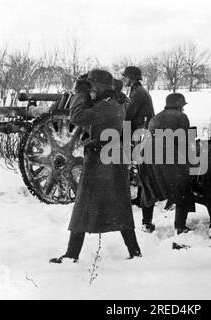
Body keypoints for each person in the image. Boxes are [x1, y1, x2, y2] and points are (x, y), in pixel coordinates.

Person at [50, 69, 141, 263]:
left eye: (92, 86)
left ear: (98, 87)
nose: (90, 90)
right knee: (119, 207)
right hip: (110, 161)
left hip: (101, 163)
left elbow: (76, 117)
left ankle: (72, 254)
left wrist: (80, 94)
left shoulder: (106, 107)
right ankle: (134, 251)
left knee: (84, 205)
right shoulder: (115, 102)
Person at [138, 93, 196, 235]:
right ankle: (180, 227)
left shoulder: (155, 117)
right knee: (182, 186)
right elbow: (184, 141)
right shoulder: (181, 117)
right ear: (180, 105)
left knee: (150, 188)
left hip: (146, 153)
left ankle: (146, 224)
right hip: (167, 151)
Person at [121, 66, 156, 233]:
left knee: (141, 166)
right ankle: (139, 198)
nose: (124, 80)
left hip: (141, 131)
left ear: (132, 78)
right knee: (140, 165)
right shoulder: (137, 91)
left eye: (126, 77)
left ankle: (141, 199)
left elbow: (128, 113)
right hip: (140, 129)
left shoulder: (138, 92)